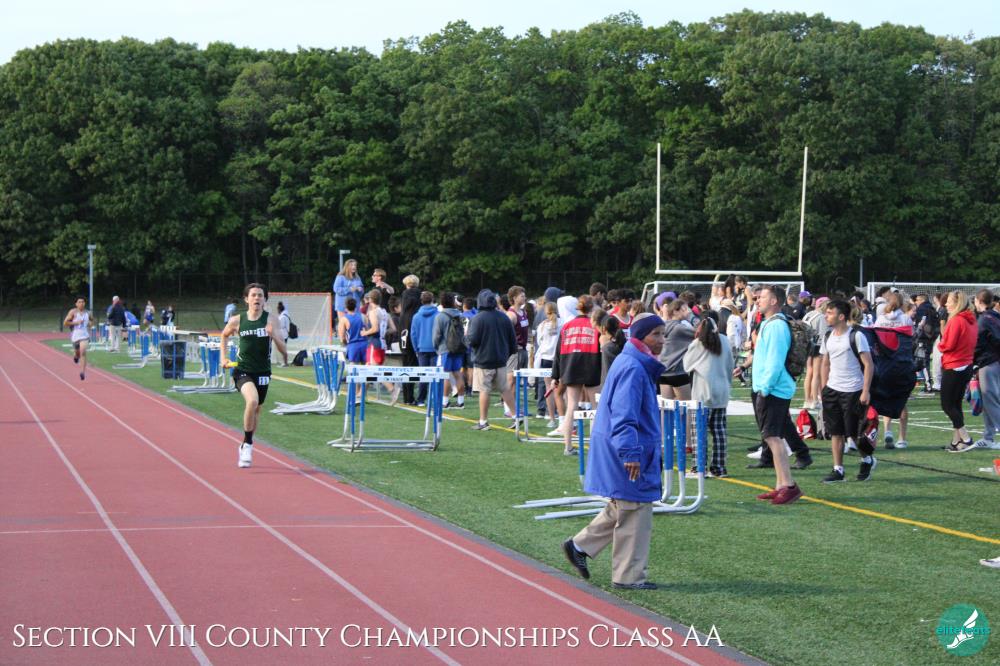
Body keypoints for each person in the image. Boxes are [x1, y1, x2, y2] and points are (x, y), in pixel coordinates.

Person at [561, 313, 666, 590]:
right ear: (641, 336)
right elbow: (624, 414)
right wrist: (630, 453)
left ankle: (579, 546)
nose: (662, 340)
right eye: (656, 334)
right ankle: (628, 576)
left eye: (662, 333)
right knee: (635, 509)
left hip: (618, 444)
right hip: (626, 447)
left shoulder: (631, 360)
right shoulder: (634, 367)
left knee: (623, 505)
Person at [746, 285, 806, 504]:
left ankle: (788, 485)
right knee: (772, 437)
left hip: (773, 389)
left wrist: (765, 388)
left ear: (774, 301)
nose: (757, 300)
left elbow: (775, 361)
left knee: (773, 437)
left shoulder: (777, 326)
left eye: (762, 297)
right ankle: (781, 484)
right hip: (767, 388)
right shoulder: (769, 324)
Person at [219, 283, 287, 469]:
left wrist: (273, 336)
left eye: (260, 295)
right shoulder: (237, 320)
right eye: (254, 295)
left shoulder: (271, 320)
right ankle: (248, 445)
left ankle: (245, 443)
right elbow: (224, 335)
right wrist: (224, 358)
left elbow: (284, 351)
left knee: (256, 410)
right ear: (246, 299)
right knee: (252, 401)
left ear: (265, 299)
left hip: (263, 372)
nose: (257, 298)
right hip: (242, 370)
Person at [818, 300, 875, 482]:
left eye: (830, 313)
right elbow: (825, 363)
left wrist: (865, 391)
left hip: (853, 390)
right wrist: (824, 388)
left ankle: (867, 459)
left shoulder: (856, 336)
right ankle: (838, 470)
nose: (826, 316)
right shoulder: (828, 336)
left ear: (841, 316)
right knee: (835, 432)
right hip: (832, 389)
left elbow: (868, 365)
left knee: (854, 433)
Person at [683, 317, 734, 477]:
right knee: (719, 433)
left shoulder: (698, 343)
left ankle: (699, 467)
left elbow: (686, 365)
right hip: (722, 390)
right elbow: (730, 365)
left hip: (703, 392)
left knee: (699, 433)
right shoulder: (724, 341)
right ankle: (719, 468)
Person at [552, 295, 602, 456]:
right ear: (591, 308)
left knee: (571, 406)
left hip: (570, 366)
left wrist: (555, 376)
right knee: (595, 408)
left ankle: (568, 446)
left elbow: (558, 353)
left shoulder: (567, 326)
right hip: (591, 364)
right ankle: (595, 447)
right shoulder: (595, 325)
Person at [464, 289, 517, 431]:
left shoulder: (477, 318)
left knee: (484, 390)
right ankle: (516, 416)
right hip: (501, 360)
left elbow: (472, 340)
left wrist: (466, 337)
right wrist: (506, 354)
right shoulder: (504, 317)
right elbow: (513, 341)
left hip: (483, 361)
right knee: (505, 389)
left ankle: (483, 421)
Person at [938, 291, 978, 452]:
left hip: (954, 364)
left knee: (947, 405)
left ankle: (966, 438)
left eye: (949, 301)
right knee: (955, 404)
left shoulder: (956, 320)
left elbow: (948, 345)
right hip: (966, 364)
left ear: (957, 303)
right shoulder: (971, 319)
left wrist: (940, 345)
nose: (946, 304)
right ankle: (956, 441)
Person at [973, 289, 1000, 449]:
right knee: (988, 399)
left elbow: (979, 343)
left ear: (979, 300)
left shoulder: (984, 319)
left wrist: (973, 361)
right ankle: (988, 436)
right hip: (994, 361)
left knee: (990, 399)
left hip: (988, 362)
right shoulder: (995, 316)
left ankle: (990, 434)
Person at [361, 289, 399, 402]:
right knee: (369, 369)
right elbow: (393, 329)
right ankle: (360, 395)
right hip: (382, 344)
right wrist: (384, 333)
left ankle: (392, 389)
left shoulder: (373, 312)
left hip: (374, 343)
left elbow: (375, 329)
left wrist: (364, 333)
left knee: (374, 370)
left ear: (370, 300)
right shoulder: (385, 312)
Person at [432, 291, 467, 409]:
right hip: (458, 348)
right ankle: (460, 401)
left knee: (445, 375)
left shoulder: (440, 316)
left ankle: (445, 401)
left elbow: (436, 335)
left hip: (445, 349)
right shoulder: (460, 315)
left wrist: (436, 347)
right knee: (458, 374)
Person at [535, 301, 562, 430]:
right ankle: (563, 417)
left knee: (549, 389)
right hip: (559, 358)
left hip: (546, 358)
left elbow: (540, 342)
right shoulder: (562, 323)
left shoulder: (542, 326)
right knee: (561, 389)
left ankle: (552, 418)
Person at [410, 291, 439, 406]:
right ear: (432, 300)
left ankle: (421, 399)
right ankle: (435, 398)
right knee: (435, 375)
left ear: (421, 301)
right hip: (435, 348)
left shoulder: (416, 316)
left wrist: (416, 349)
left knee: (423, 375)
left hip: (421, 348)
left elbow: (413, 335)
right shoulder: (438, 315)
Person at [398, 275, 422, 405]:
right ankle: (414, 396)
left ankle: (407, 397)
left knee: (405, 365)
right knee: (415, 366)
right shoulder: (420, 296)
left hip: (404, 332)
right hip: (416, 333)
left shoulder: (405, 296)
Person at [64, 297, 91, 381]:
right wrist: (76, 322)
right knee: (78, 353)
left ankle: (82, 372)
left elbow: (92, 321)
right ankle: (76, 356)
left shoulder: (88, 313)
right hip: (75, 336)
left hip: (85, 336)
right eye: (79, 302)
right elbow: (65, 323)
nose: (81, 303)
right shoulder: (73, 312)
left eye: (83, 302)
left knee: (83, 352)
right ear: (76, 304)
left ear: (85, 303)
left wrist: (89, 324)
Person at [338, 297, 367, 363]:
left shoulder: (343, 319)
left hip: (353, 346)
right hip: (364, 344)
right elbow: (368, 331)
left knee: (353, 367)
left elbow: (342, 338)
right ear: (355, 307)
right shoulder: (363, 316)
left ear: (346, 308)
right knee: (366, 367)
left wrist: (345, 344)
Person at [275, 301, 291, 367]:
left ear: (279, 310)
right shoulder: (283, 316)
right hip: (282, 334)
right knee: (282, 349)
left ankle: (285, 363)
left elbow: (284, 326)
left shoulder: (283, 317)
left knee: (283, 349)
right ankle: (284, 362)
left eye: (277, 310)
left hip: (283, 335)